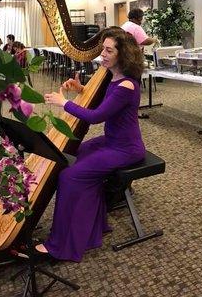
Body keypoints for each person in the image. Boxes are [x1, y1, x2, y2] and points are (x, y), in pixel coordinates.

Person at [35, 27, 146, 262]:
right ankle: (94, 226)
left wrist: (64, 103)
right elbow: (107, 103)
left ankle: (60, 244)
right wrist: (81, 89)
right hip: (112, 141)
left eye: (108, 51)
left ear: (122, 54)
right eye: (102, 50)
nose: (102, 55)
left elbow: (96, 116)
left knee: (69, 176)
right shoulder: (115, 77)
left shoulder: (126, 85)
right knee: (71, 155)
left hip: (125, 148)